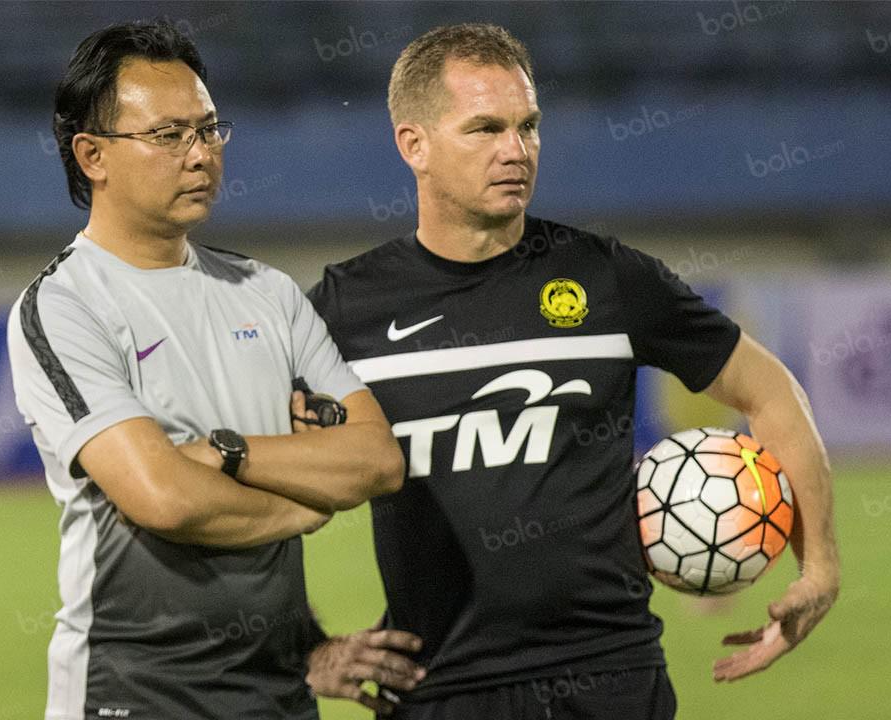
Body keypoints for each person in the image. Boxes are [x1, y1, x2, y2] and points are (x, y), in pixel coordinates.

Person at [305, 23, 840, 719]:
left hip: (611, 682)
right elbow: (255, 486)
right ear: (415, 145)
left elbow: (771, 393)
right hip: (439, 692)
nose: (516, 150)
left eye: (528, 126)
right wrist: (304, 647)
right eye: (485, 128)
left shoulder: (608, 278)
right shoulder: (346, 308)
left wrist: (820, 565)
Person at [7, 21, 419, 720]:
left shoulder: (267, 292)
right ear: (92, 155)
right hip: (132, 695)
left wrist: (226, 453)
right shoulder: (65, 305)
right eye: (169, 135)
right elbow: (164, 499)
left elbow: (376, 461)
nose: (200, 154)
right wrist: (306, 503)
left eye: (208, 129)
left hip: (278, 696)